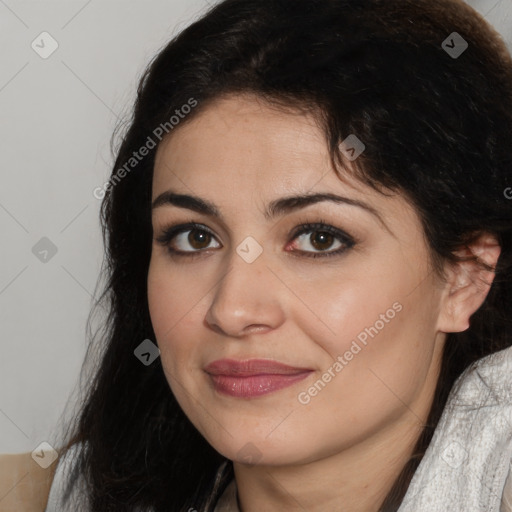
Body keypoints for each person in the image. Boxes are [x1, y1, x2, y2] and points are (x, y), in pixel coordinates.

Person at [2, 0, 512, 510]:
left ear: (465, 277)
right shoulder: (72, 492)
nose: (232, 310)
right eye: (195, 237)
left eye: (318, 239)